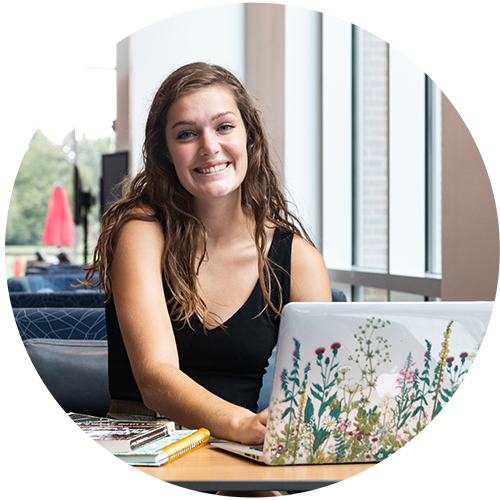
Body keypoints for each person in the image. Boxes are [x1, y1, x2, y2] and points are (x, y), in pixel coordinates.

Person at [70, 62, 331, 498]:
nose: (210, 147)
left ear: (250, 136)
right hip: (135, 463)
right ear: (166, 152)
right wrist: (243, 423)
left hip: (236, 461)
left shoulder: (297, 259)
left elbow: (318, 392)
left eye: (224, 127)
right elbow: (155, 378)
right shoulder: (141, 232)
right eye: (187, 134)